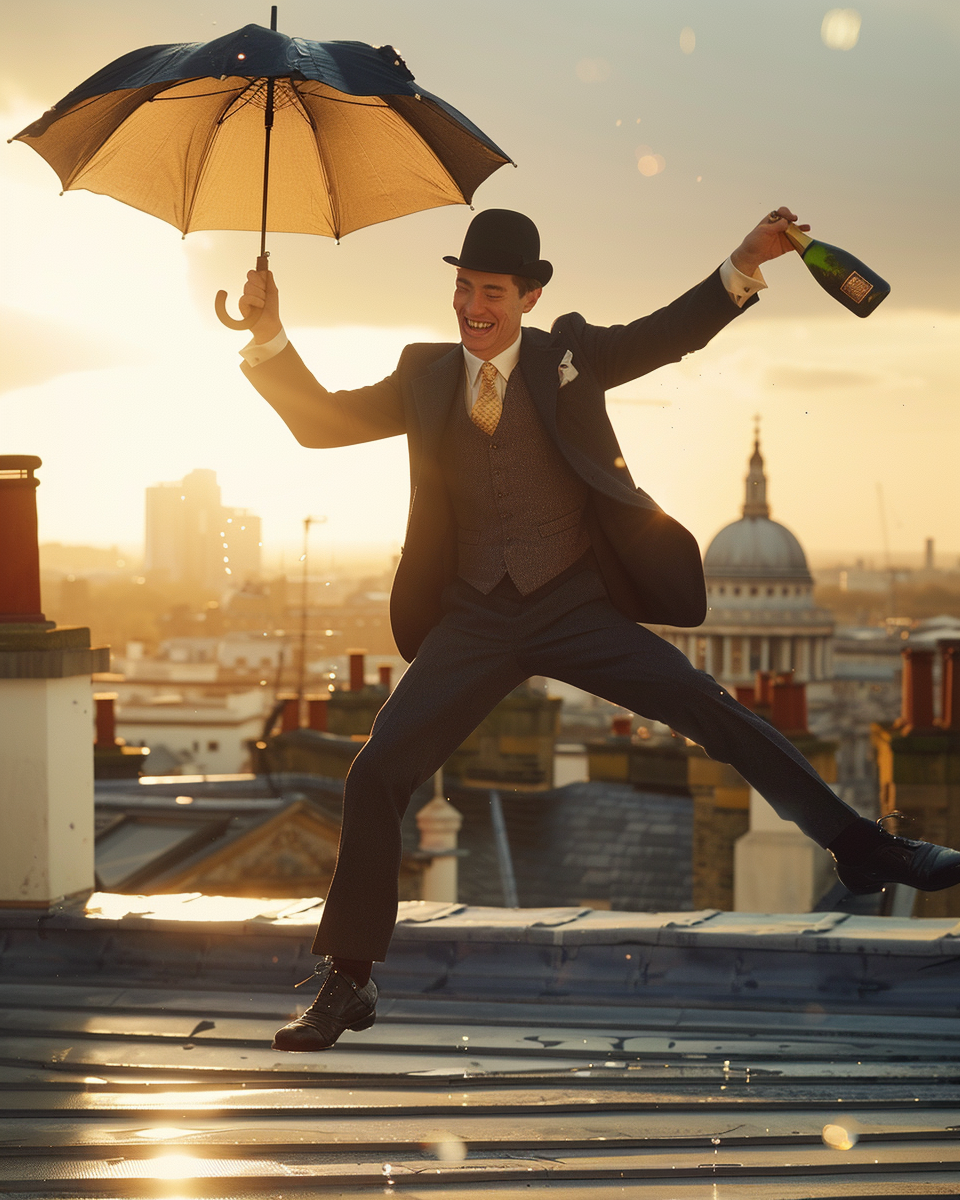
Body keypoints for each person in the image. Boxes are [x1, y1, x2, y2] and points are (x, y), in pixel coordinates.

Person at [236, 206, 960, 1052]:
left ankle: (866, 849)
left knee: (714, 710)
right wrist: (270, 334)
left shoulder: (568, 357)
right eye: (463, 286)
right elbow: (322, 424)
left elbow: (673, 333)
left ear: (531, 295)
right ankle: (348, 982)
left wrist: (745, 259)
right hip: (474, 613)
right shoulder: (424, 372)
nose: (473, 306)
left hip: (573, 602)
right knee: (375, 775)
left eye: (492, 291)